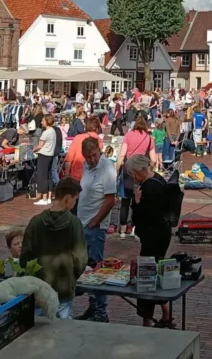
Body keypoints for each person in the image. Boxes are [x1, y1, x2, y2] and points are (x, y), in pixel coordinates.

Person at [19, 177, 87, 319]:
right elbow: (80, 258)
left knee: (38, 328)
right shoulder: (74, 223)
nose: (75, 203)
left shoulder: (35, 222)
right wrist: (72, 277)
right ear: (68, 198)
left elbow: (25, 257)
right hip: (63, 287)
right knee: (62, 328)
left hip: (39, 287)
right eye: (75, 199)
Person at [124, 154, 176, 328]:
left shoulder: (148, 187)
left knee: (146, 275)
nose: (133, 178)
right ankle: (166, 314)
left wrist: (136, 201)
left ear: (139, 170)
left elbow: (141, 217)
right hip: (163, 233)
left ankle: (147, 319)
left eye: (133, 174)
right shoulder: (159, 179)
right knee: (156, 270)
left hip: (152, 236)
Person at [74, 137, 117, 323]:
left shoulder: (107, 167)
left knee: (97, 268)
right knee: (88, 267)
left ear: (100, 151)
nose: (92, 159)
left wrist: (95, 221)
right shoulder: (86, 166)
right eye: (88, 157)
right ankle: (93, 307)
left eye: (94, 155)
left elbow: (110, 200)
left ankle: (101, 312)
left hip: (95, 225)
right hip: (83, 222)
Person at [116, 115, 156, 239]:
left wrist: (116, 170)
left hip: (128, 171)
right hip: (141, 173)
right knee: (137, 202)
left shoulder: (128, 135)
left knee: (125, 202)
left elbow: (122, 155)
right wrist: (149, 170)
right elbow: (154, 160)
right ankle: (134, 229)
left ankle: (123, 230)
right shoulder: (149, 138)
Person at [33, 115, 58, 206]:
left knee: (42, 176)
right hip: (50, 155)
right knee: (49, 175)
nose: (41, 122)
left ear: (47, 121)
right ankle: (49, 197)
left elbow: (40, 145)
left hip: (43, 155)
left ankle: (44, 198)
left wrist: (33, 150)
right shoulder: (53, 131)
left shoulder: (46, 132)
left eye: (43, 121)